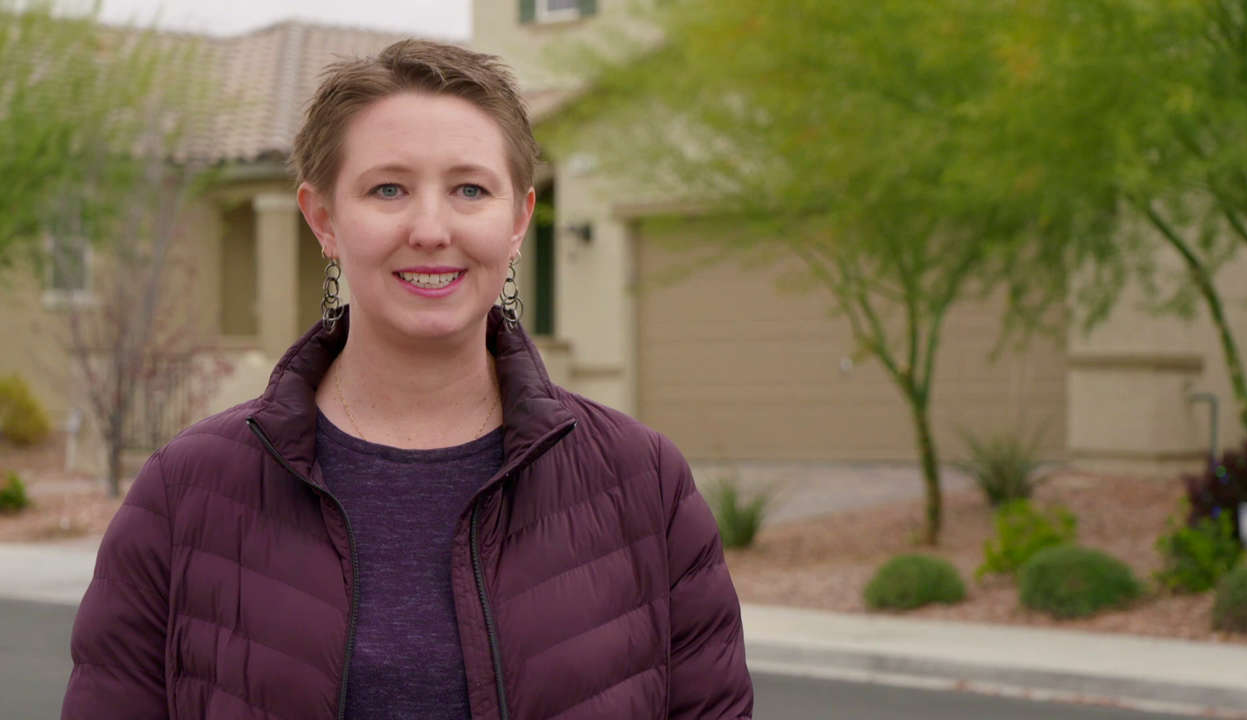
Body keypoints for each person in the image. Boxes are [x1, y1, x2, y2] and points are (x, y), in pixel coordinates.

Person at [61, 39, 753, 720]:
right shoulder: (186, 494)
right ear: (324, 219)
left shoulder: (643, 485)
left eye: (469, 189)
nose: (430, 229)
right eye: (388, 189)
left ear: (518, 220)